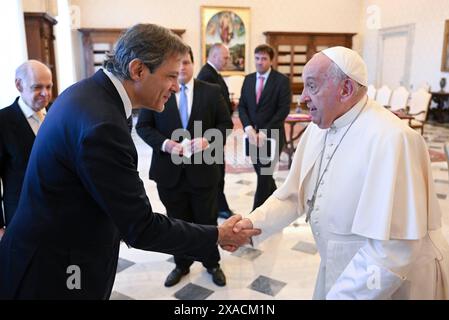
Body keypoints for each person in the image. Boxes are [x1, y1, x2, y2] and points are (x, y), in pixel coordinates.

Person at [0, 24, 260, 300]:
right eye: (170, 75)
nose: (175, 85)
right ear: (138, 70)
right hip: (56, 271)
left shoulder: (90, 94)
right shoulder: (102, 124)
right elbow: (140, 227)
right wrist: (218, 235)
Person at [233, 46, 449, 299]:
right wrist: (251, 225)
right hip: (339, 267)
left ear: (345, 89)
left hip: (387, 283)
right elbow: (293, 196)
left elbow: (394, 249)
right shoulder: (318, 128)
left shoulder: (393, 139)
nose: (302, 98)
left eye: (311, 86)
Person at [136, 47, 232, 287]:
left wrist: (208, 139)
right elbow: (143, 127)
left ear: (193, 63)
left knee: (207, 220)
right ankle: (181, 264)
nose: (182, 69)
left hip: (204, 171)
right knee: (176, 222)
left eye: (186, 62)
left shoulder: (211, 91)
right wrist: (166, 144)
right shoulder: (156, 90)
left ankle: (211, 263)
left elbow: (225, 124)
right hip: (170, 173)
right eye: (177, 64)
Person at [0, 60, 53, 237]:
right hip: (22, 218)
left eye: (49, 86)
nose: (45, 94)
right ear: (19, 85)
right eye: (38, 87)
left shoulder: (58, 113)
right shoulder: (3, 121)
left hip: (60, 214)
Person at [238, 44, 291, 210]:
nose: (260, 62)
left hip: (272, 136)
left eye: (264, 58)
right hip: (252, 136)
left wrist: (265, 131)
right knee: (263, 174)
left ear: (271, 60)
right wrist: (248, 128)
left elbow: (283, 110)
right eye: (257, 58)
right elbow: (242, 106)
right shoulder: (248, 79)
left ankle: (256, 217)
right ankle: (279, 203)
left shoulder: (281, 81)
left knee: (264, 175)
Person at [197, 43, 234, 219]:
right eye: (225, 57)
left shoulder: (213, 73)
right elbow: (206, 109)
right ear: (214, 56)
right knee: (215, 173)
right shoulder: (206, 74)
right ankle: (219, 207)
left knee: (219, 171)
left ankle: (220, 205)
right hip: (210, 134)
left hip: (216, 132)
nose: (227, 61)